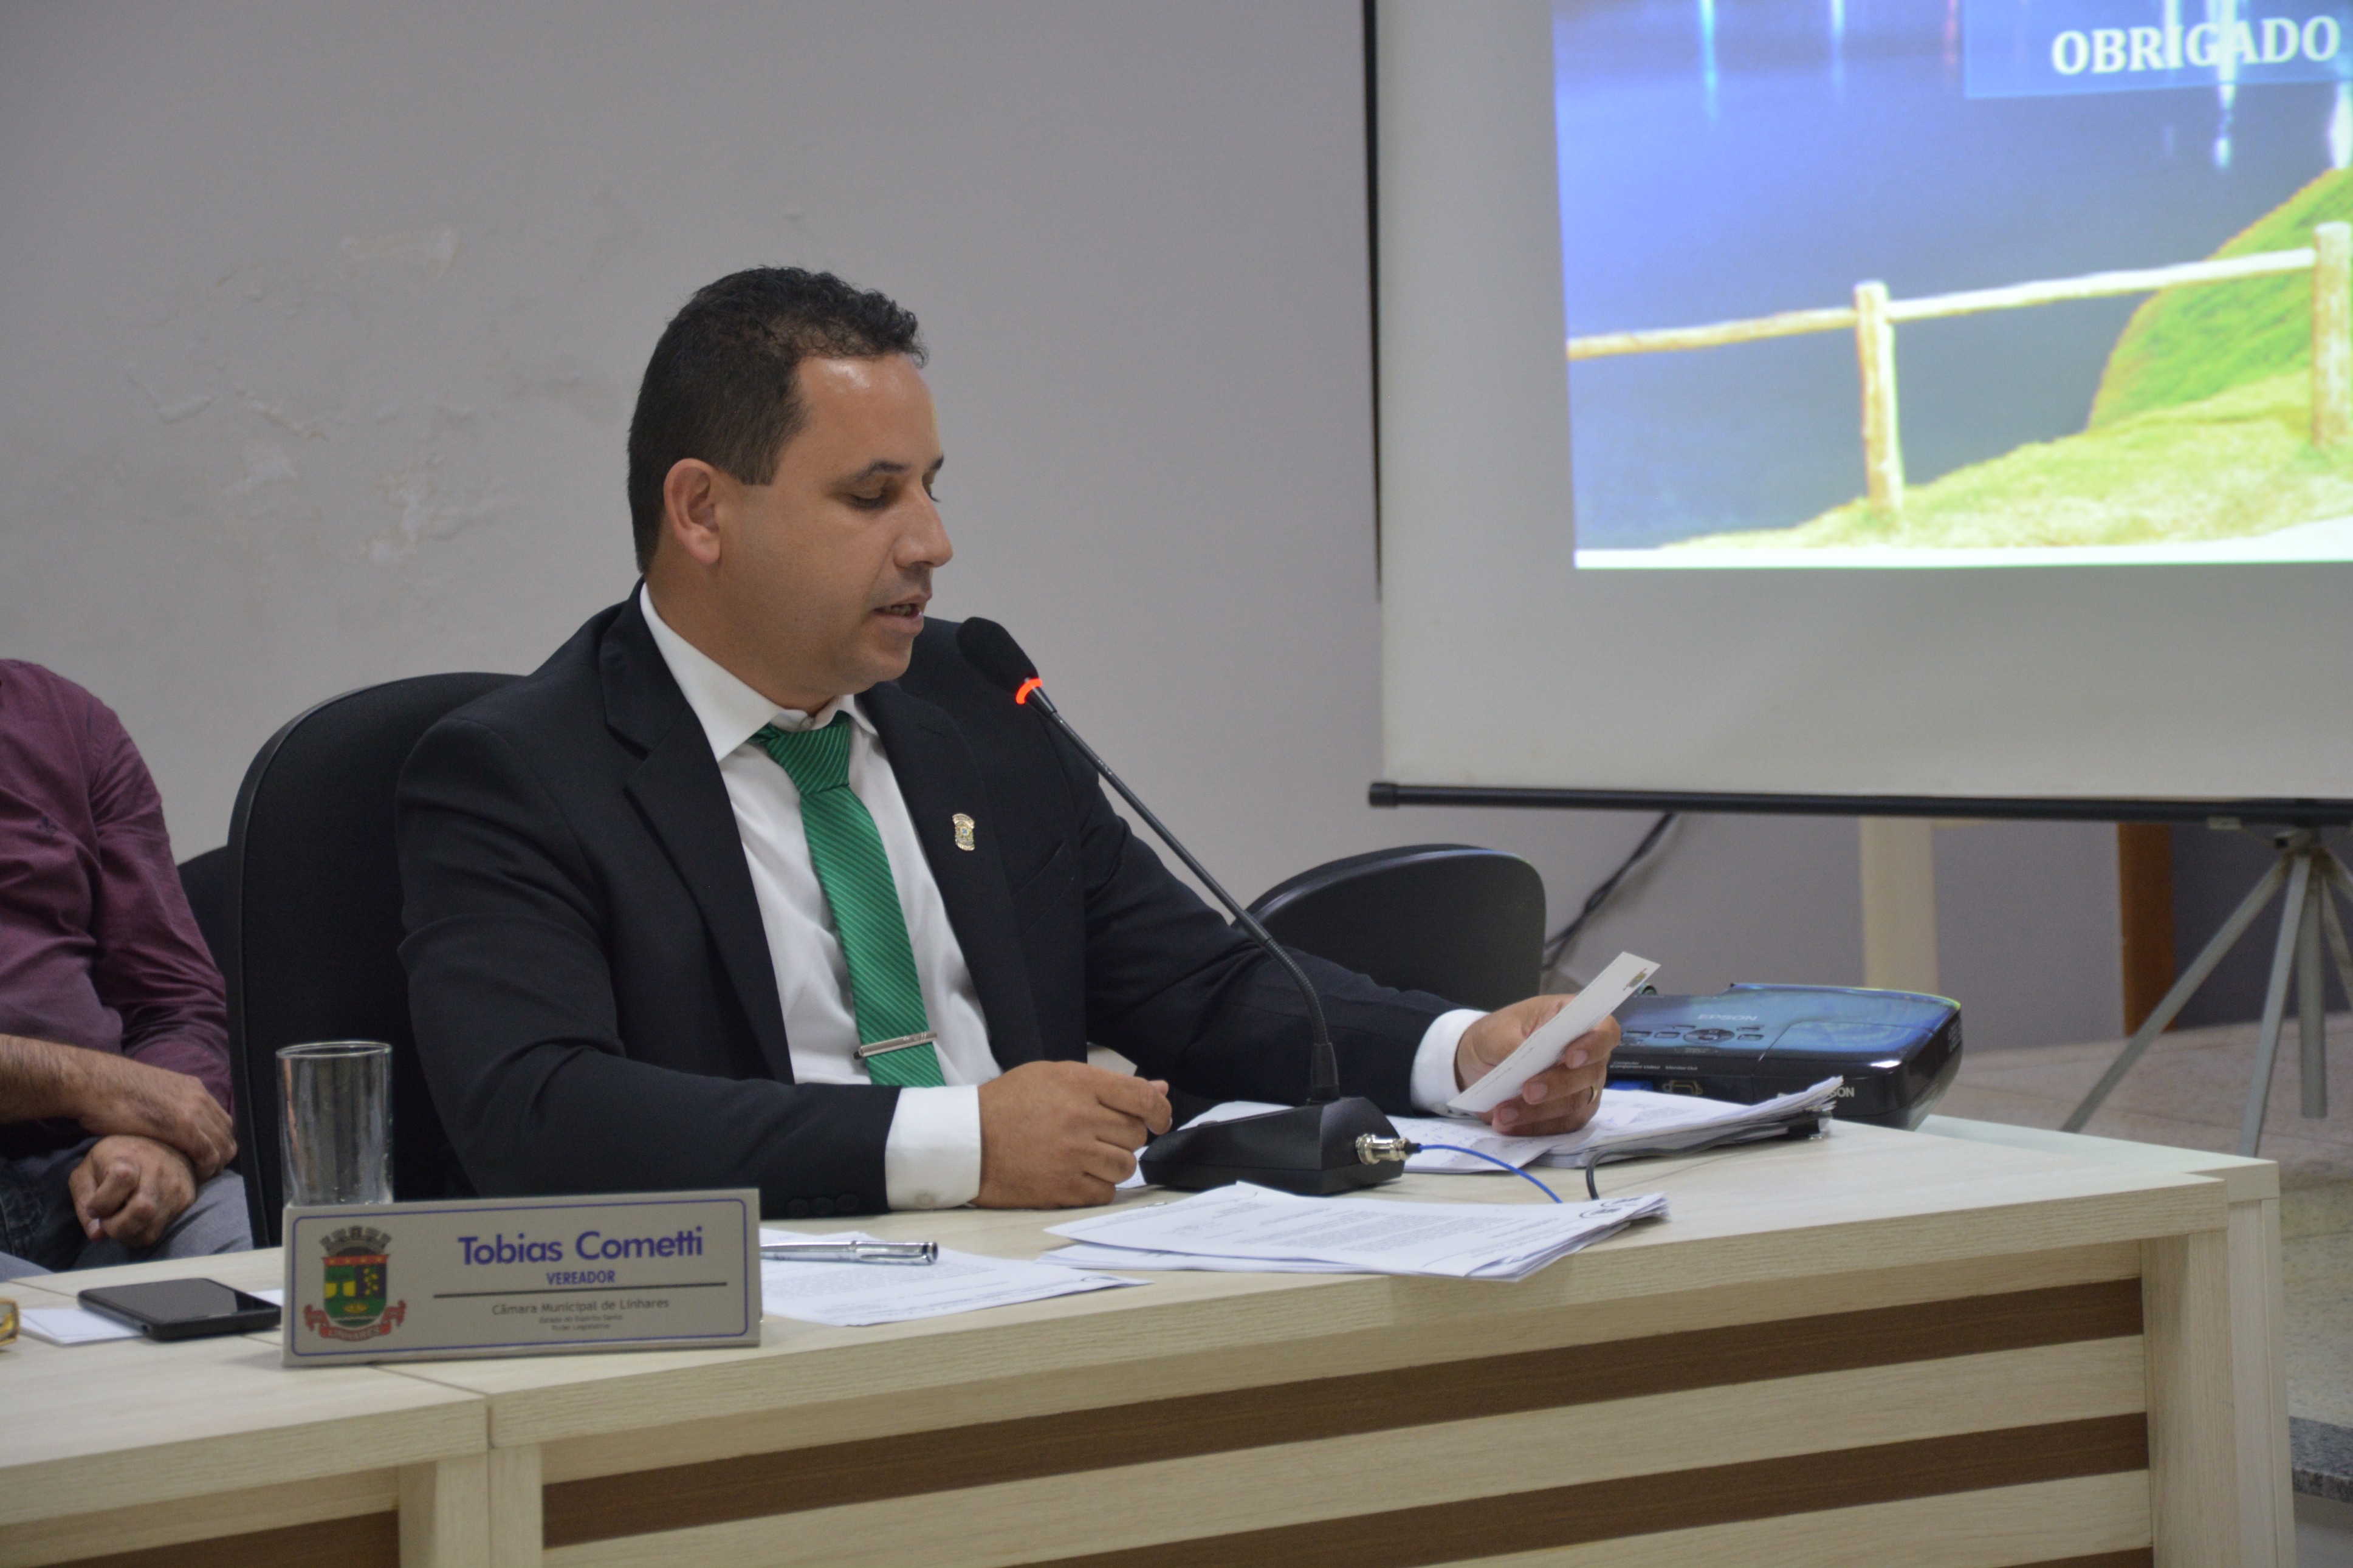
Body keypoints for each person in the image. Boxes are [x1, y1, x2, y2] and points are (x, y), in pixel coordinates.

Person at [396, 268, 1617, 1216]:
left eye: (931, 486)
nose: (931, 542)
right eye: (872, 497)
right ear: (702, 510)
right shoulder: (519, 774)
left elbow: (1194, 982)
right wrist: (959, 1142)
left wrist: (1461, 1050)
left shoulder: (975, 704)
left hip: (1057, 1282)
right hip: (767, 1327)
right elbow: (537, 1113)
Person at [0, 662, 248, 1281]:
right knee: (38, 1332)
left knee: (280, 1275)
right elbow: (114, 1087)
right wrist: (96, 1085)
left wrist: (159, 1143)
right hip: (91, 1117)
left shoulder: (65, 721)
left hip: (94, 1168)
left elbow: (176, 1002)